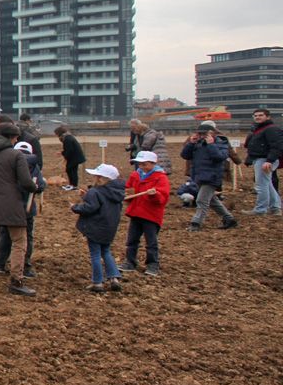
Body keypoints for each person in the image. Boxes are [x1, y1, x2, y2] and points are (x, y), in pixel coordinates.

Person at [0, 123, 38, 296]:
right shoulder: (16, 155)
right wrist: (35, 187)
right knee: (19, 241)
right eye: (16, 137)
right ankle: (16, 281)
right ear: (11, 137)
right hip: (12, 204)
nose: (17, 139)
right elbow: (25, 182)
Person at [0, 141, 47, 280]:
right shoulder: (34, 166)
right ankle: (25, 267)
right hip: (26, 208)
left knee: (5, 234)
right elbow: (39, 185)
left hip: (7, 206)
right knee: (25, 237)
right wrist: (40, 186)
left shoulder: (8, 163)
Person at [70, 164, 127, 293]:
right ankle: (114, 277)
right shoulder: (117, 193)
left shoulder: (95, 192)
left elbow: (90, 208)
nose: (94, 178)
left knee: (95, 254)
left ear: (101, 179)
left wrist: (75, 207)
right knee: (106, 251)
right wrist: (86, 197)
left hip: (95, 228)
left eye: (96, 176)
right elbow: (102, 204)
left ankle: (98, 282)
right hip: (109, 228)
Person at [121, 150, 171, 278]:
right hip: (136, 213)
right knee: (132, 240)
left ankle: (152, 264)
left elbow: (163, 198)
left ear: (153, 163)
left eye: (145, 164)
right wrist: (127, 195)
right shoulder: (135, 175)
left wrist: (155, 194)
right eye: (139, 164)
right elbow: (128, 189)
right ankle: (130, 262)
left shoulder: (160, 178)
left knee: (151, 241)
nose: (142, 167)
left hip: (151, 215)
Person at [180, 123, 237, 231]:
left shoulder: (221, 143)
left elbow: (220, 157)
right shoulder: (197, 143)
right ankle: (229, 219)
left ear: (213, 133)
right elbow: (185, 155)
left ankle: (195, 223)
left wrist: (211, 145)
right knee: (211, 200)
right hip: (199, 176)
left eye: (204, 133)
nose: (201, 136)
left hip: (212, 177)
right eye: (200, 133)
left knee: (201, 200)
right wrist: (191, 143)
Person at [244, 108, 283, 215]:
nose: (257, 117)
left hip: (265, 160)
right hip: (261, 159)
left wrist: (269, 160)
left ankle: (260, 209)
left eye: (260, 115)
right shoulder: (259, 129)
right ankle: (275, 208)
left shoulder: (271, 129)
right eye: (255, 115)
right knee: (267, 184)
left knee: (261, 186)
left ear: (268, 117)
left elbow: (277, 146)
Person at [54, 125, 87, 190]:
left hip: (75, 157)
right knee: (70, 170)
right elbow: (68, 149)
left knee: (71, 170)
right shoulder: (68, 137)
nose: (56, 135)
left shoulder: (67, 139)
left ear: (59, 133)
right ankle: (71, 184)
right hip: (74, 157)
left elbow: (69, 150)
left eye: (56, 134)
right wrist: (62, 153)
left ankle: (74, 185)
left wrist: (65, 158)